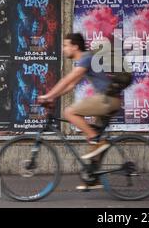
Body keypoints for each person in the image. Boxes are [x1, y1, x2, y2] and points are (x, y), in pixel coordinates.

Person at [38, 33, 121, 190]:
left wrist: (48, 96)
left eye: (65, 45)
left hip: (107, 99)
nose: (63, 49)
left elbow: (67, 80)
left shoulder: (86, 57)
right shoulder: (84, 60)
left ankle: (96, 138)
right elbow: (70, 86)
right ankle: (93, 178)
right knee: (95, 139)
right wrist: (53, 98)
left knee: (69, 113)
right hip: (112, 100)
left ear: (75, 46)